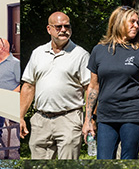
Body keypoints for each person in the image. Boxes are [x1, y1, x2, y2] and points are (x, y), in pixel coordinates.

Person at [83, 6, 139, 160]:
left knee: (128, 159)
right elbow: (93, 87)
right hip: (106, 116)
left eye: (138, 23)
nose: (136, 25)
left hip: (133, 115)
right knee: (103, 160)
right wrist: (88, 120)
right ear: (118, 22)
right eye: (132, 22)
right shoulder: (99, 50)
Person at [20, 11, 90, 159]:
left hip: (69, 118)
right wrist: (20, 116)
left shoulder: (81, 55)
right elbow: (28, 86)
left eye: (67, 26)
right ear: (49, 29)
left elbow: (90, 88)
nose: (63, 30)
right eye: (58, 27)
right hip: (40, 119)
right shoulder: (38, 53)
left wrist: (89, 120)